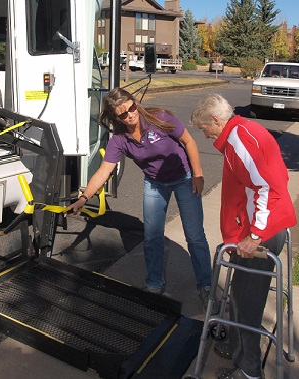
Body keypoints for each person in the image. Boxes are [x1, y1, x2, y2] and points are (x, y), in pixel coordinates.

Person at [67, 87, 213, 312]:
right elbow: (103, 172)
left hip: (183, 178)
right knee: (152, 236)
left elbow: (189, 142)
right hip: (154, 183)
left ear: (135, 103)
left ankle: (206, 287)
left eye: (132, 107)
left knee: (194, 236)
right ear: (116, 118)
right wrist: (84, 198)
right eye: (123, 114)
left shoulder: (159, 119)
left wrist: (198, 174)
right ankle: (155, 285)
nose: (131, 115)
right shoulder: (119, 140)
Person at [191, 93, 297, 379]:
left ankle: (249, 370)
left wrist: (255, 235)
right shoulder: (243, 132)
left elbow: (269, 187)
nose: (205, 134)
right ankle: (238, 347)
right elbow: (274, 178)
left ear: (215, 119)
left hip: (260, 234)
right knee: (242, 296)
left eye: (204, 128)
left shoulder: (240, 140)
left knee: (245, 305)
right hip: (255, 230)